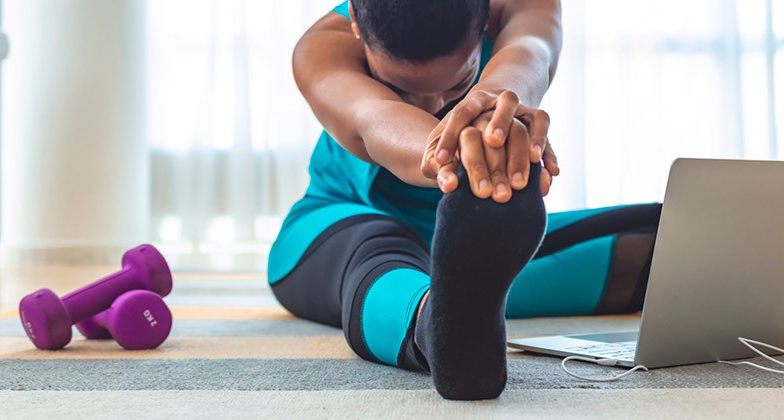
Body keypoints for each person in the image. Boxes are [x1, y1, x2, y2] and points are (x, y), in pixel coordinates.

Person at [267, 0, 661, 400]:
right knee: (378, 245)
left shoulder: (523, 6)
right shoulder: (320, 48)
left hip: (460, 238)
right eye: (400, 89)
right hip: (339, 227)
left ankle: (466, 293)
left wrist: (497, 111)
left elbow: (531, 54)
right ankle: (438, 330)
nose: (436, 107)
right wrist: (464, 153)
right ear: (354, 19)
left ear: (488, 15)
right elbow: (374, 119)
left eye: (458, 85)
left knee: (671, 232)